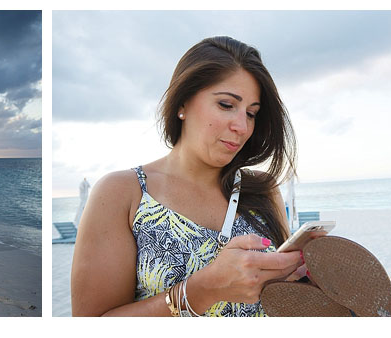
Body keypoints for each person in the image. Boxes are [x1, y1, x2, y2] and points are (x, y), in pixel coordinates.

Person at [70, 36, 302, 316]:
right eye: (227, 105)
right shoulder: (124, 193)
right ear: (182, 103)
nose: (241, 126)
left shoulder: (262, 191)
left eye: (251, 114)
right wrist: (202, 290)